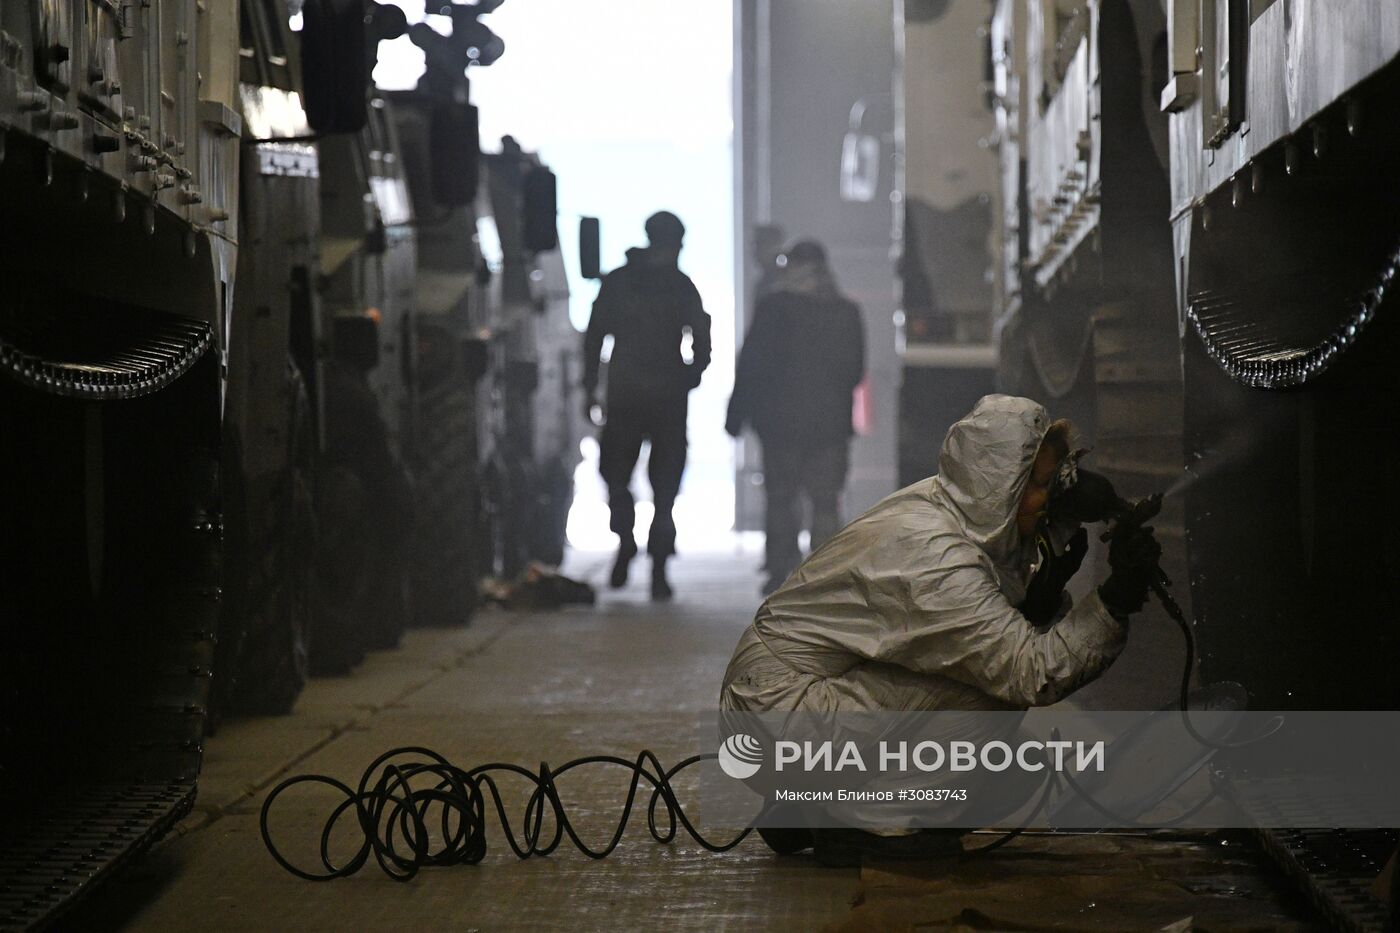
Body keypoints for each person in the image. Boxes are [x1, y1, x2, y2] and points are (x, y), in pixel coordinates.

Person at [719, 394, 1161, 865]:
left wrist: (1045, 593)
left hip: (790, 705)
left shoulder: (950, 504)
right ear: (1001, 483)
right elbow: (1031, 672)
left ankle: (806, 811)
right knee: (990, 694)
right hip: (778, 713)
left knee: (1011, 770)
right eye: (1043, 484)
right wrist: (1116, 600)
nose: (1052, 499)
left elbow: (989, 625)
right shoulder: (936, 556)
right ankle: (865, 824)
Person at [582, 211, 712, 600]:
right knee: (664, 487)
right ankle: (654, 564)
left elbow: (594, 339)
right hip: (666, 397)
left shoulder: (620, 283)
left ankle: (630, 544)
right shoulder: (679, 284)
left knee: (618, 476)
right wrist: (692, 373)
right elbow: (701, 336)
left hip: (626, 394)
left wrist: (590, 388)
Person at [726, 239, 864, 594]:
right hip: (829, 425)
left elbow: (751, 365)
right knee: (825, 500)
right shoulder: (845, 312)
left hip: (779, 425)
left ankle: (779, 569)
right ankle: (827, 572)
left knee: (780, 497)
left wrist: (737, 412)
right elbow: (854, 371)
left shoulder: (773, 308)